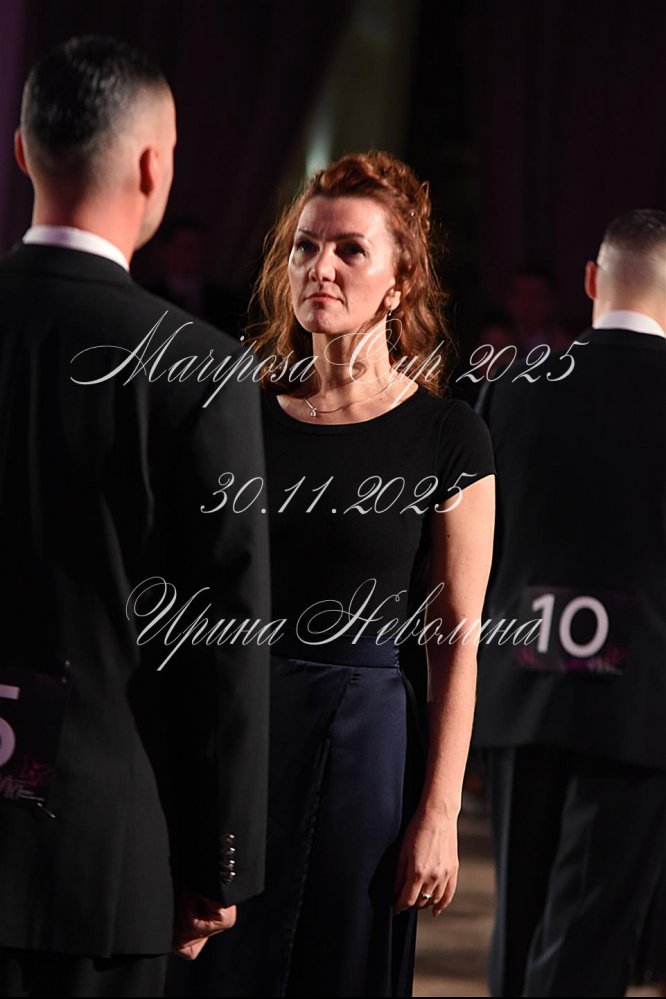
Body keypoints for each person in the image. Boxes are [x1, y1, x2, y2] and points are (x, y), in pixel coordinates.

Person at [167, 152, 496, 998]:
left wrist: (440, 811)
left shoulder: (449, 434)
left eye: (351, 249)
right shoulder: (239, 411)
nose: (321, 267)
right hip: (237, 737)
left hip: (366, 752)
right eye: (305, 247)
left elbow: (455, 641)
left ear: (399, 283)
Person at [0, 36, 270, 998]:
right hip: (105, 852)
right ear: (154, 166)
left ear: (22, 152)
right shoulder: (198, 367)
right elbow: (227, 637)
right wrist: (222, 857)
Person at [473, 209, 666, 997]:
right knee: (589, 934)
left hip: (523, 688)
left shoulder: (509, 389)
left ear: (591, 280)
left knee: (518, 927)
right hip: (639, 703)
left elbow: (478, 552)